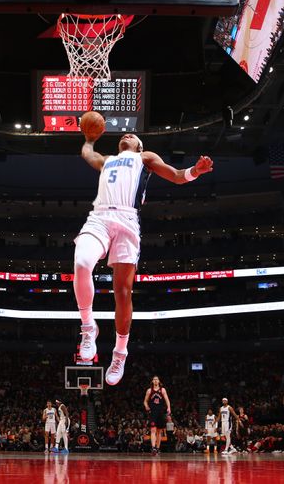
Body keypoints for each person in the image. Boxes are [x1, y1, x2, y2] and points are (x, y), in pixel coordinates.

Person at [74, 127, 214, 385]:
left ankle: (120, 352)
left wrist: (196, 171)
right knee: (82, 263)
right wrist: (89, 138)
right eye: (123, 135)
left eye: (132, 135)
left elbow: (177, 176)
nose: (127, 134)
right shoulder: (108, 160)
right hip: (100, 217)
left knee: (123, 292)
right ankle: (87, 327)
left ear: (139, 145)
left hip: (127, 220)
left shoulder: (145, 157)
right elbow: (87, 154)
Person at [143, 376, 171, 455]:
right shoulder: (149, 390)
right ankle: (153, 448)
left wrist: (169, 407)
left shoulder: (162, 390)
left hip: (161, 412)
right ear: (152, 381)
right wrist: (146, 406)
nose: (155, 381)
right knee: (153, 430)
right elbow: (145, 401)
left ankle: (158, 448)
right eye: (154, 379)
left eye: (157, 379)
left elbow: (167, 400)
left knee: (159, 431)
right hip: (153, 412)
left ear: (159, 381)